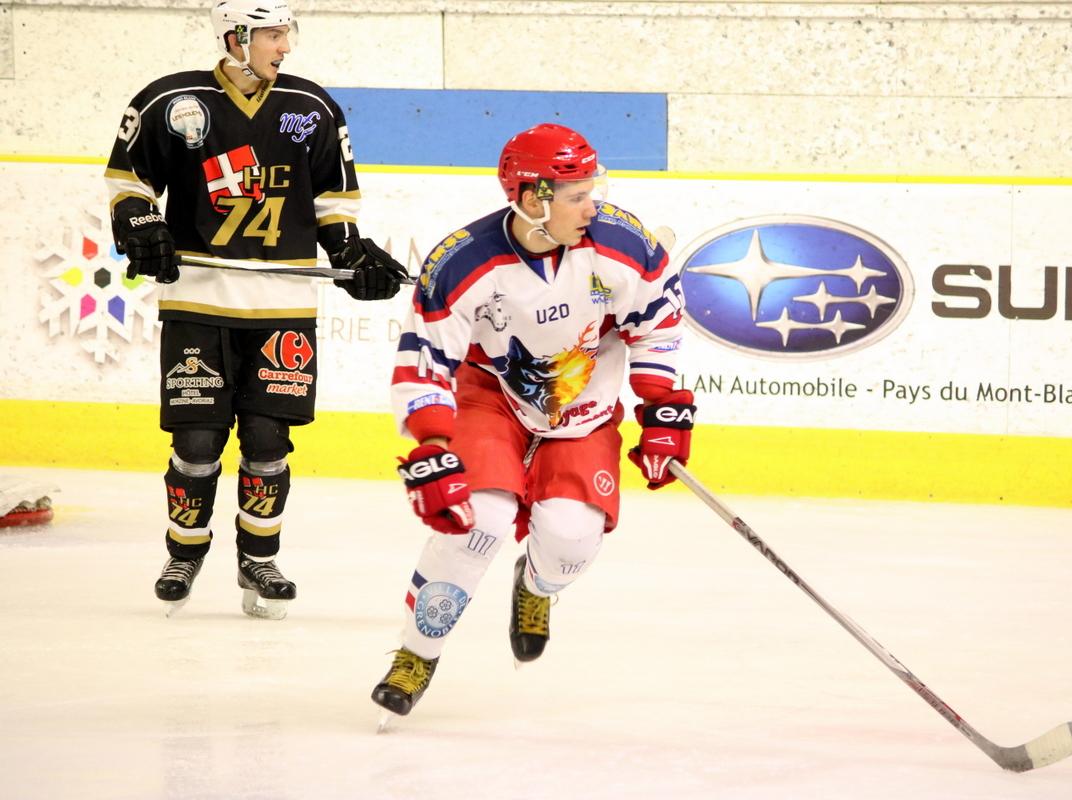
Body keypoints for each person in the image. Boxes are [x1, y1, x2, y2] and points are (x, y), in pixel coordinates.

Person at [371, 122, 696, 717]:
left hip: (583, 409)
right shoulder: (463, 262)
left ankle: (537, 585)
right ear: (531, 199)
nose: (591, 204)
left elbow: (658, 324)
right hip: (491, 396)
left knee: (571, 537)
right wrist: (431, 446)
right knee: (481, 518)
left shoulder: (623, 246)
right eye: (576, 195)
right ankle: (417, 652)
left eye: (592, 189)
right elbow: (425, 362)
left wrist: (662, 408)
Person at [104, 0, 407, 619]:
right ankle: (184, 551)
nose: (285, 46)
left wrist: (352, 253)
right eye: (273, 33)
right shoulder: (172, 103)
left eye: (286, 32)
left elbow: (332, 201)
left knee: (268, 440)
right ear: (237, 36)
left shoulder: (311, 107)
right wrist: (139, 221)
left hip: (283, 305)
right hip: (198, 299)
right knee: (196, 439)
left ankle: (258, 558)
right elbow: (128, 180)